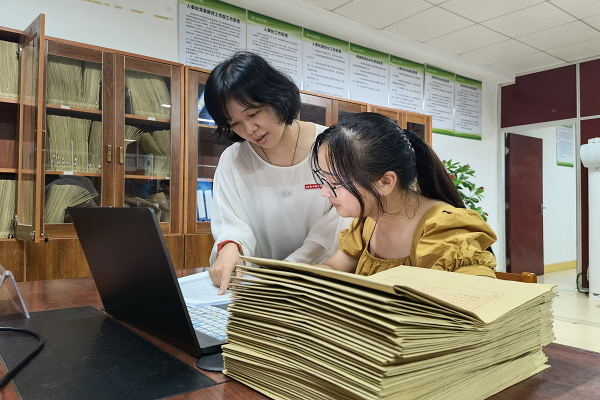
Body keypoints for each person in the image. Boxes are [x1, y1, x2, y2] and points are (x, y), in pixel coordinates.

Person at [204, 52, 351, 294]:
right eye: (234, 123)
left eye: (253, 114)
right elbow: (231, 223)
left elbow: (341, 221)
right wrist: (230, 249)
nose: (249, 129)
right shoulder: (233, 160)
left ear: (277, 98)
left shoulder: (331, 147)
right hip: (260, 287)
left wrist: (288, 268)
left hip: (320, 282)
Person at [310, 112, 497, 278]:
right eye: (325, 179)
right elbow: (333, 267)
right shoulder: (367, 224)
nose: (324, 192)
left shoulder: (444, 228)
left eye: (336, 183)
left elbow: (478, 293)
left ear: (385, 182)